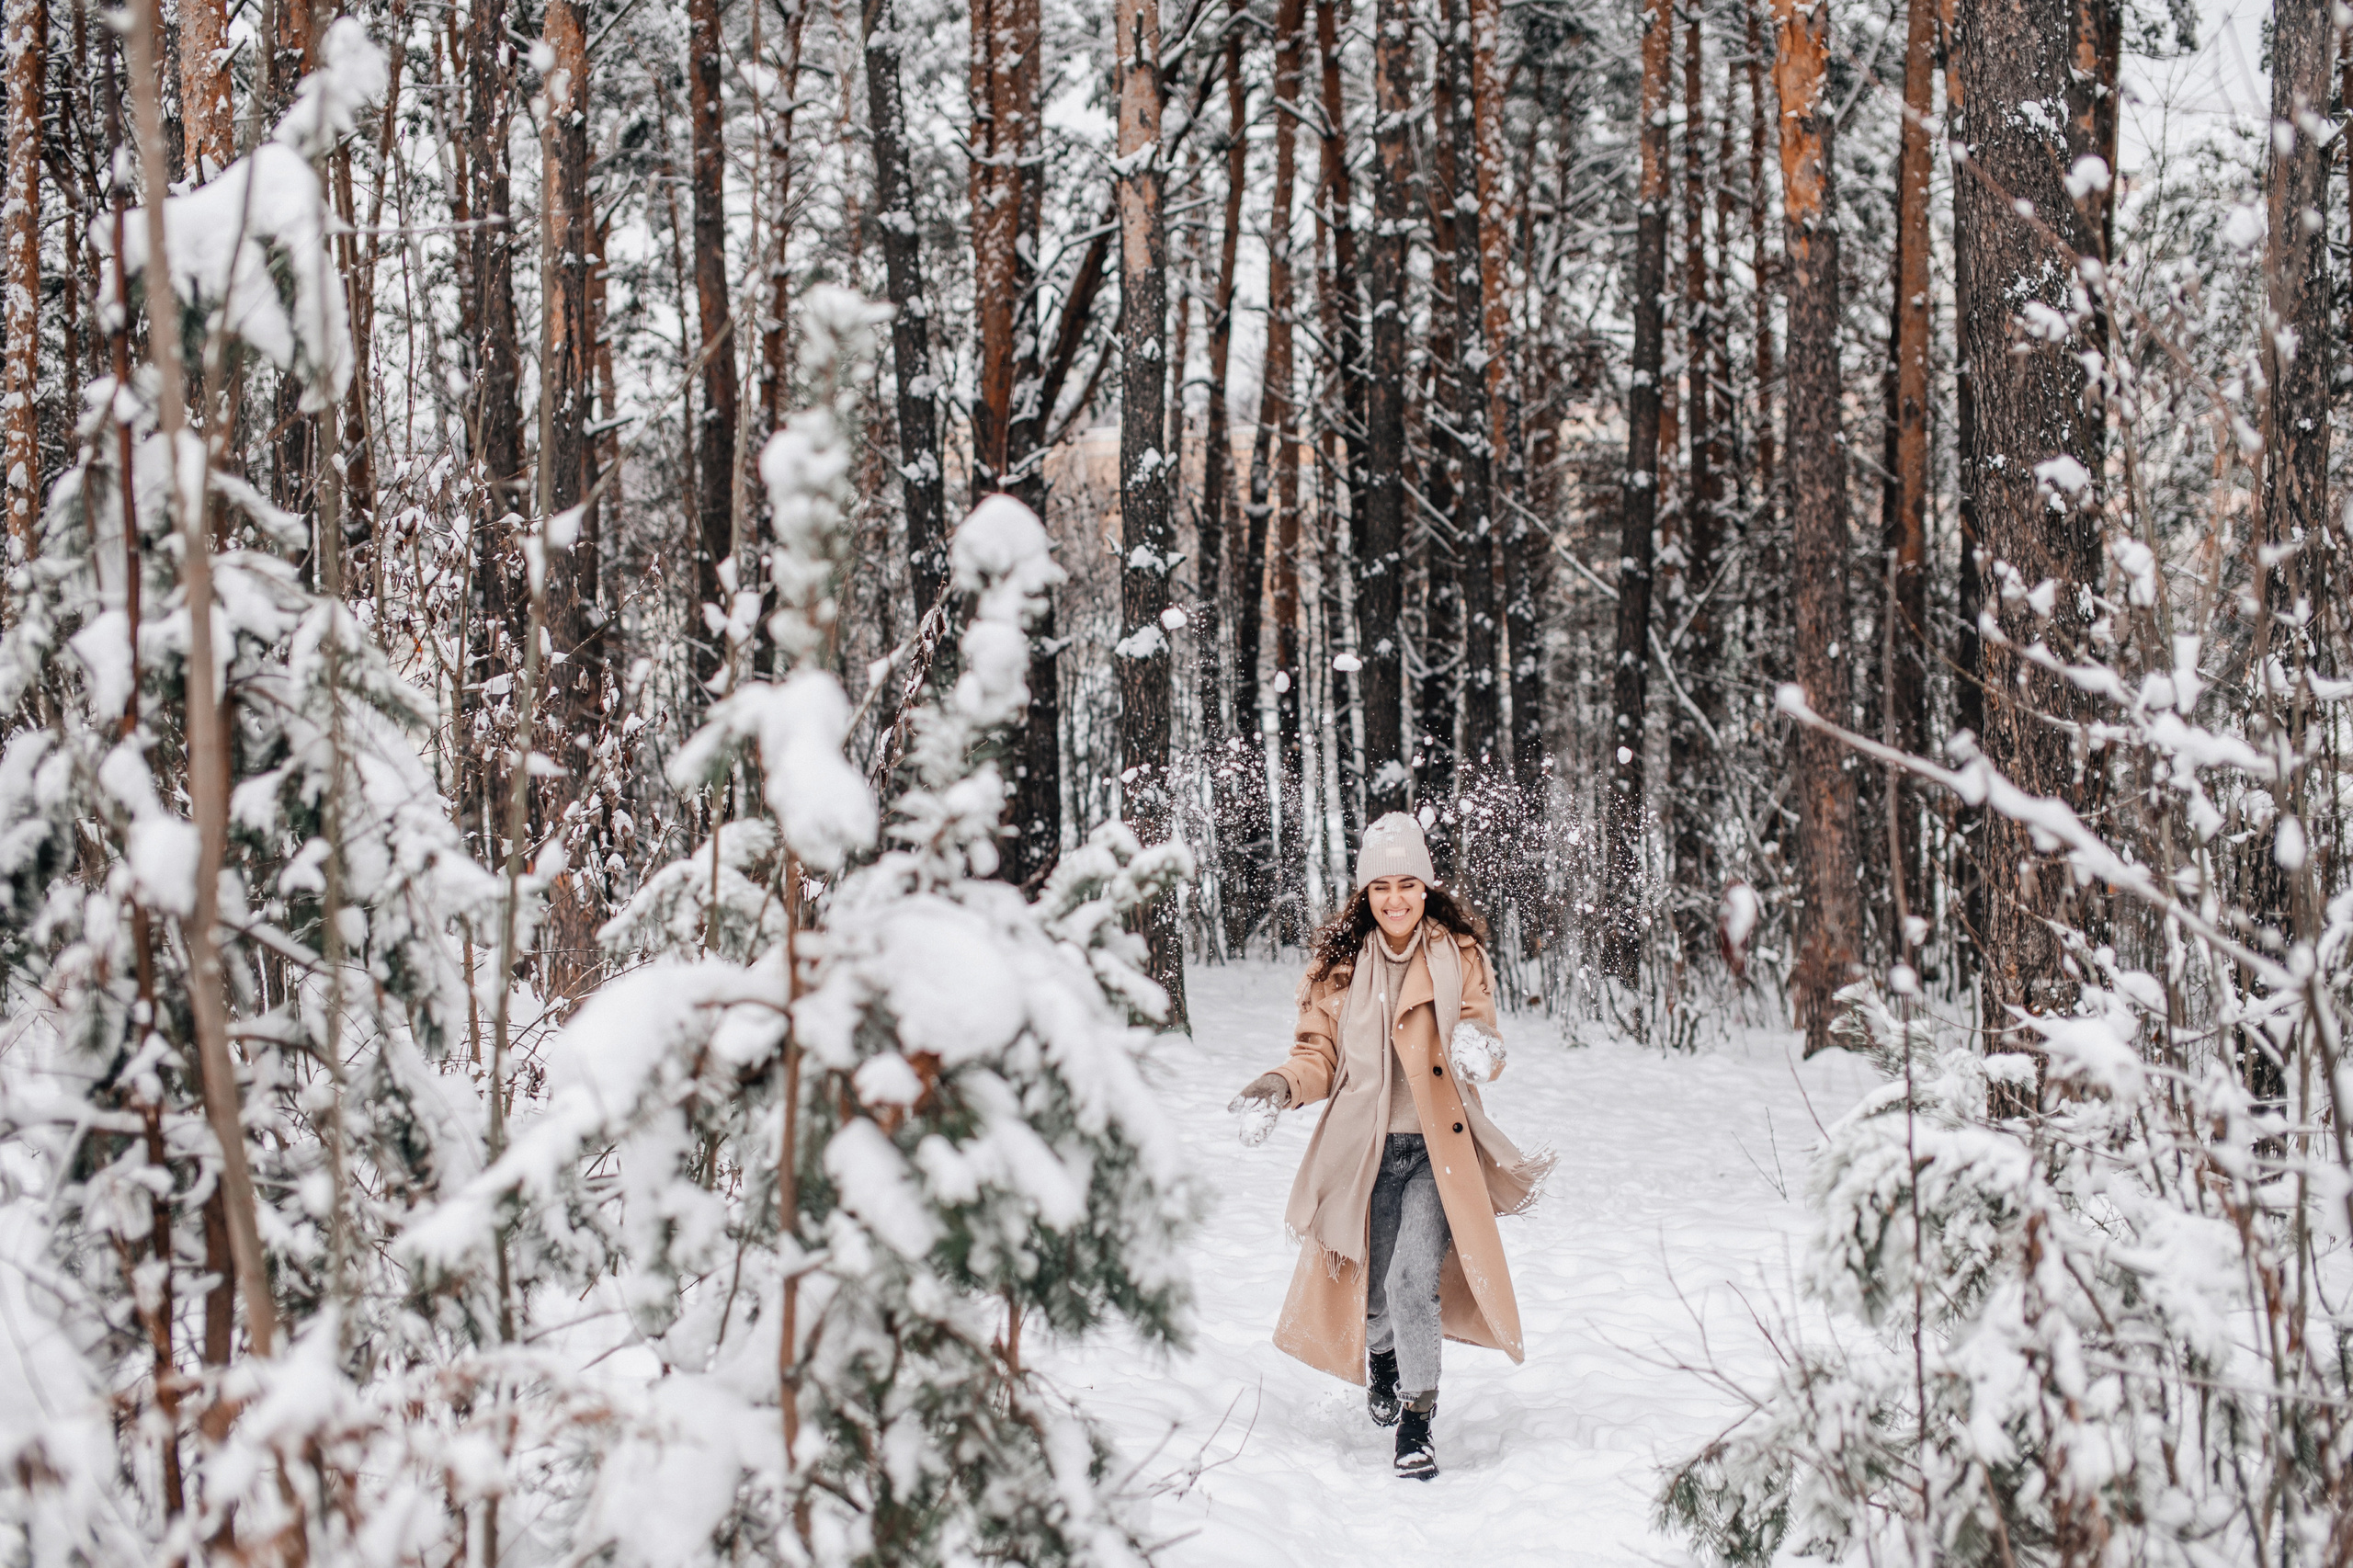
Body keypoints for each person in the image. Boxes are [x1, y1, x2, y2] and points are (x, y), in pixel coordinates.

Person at [1230, 812, 1551, 1480]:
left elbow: (1483, 1037)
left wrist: (1475, 1049)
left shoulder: (1457, 955)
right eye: (1382, 886)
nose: (1396, 899)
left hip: (1438, 1153)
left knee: (1412, 1281)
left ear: (1427, 887)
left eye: (1408, 883)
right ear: (1365, 893)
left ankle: (1417, 1419)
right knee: (1372, 1292)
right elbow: (1315, 1053)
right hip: (1365, 1153)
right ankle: (1381, 1355)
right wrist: (1280, 1087)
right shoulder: (1339, 966)